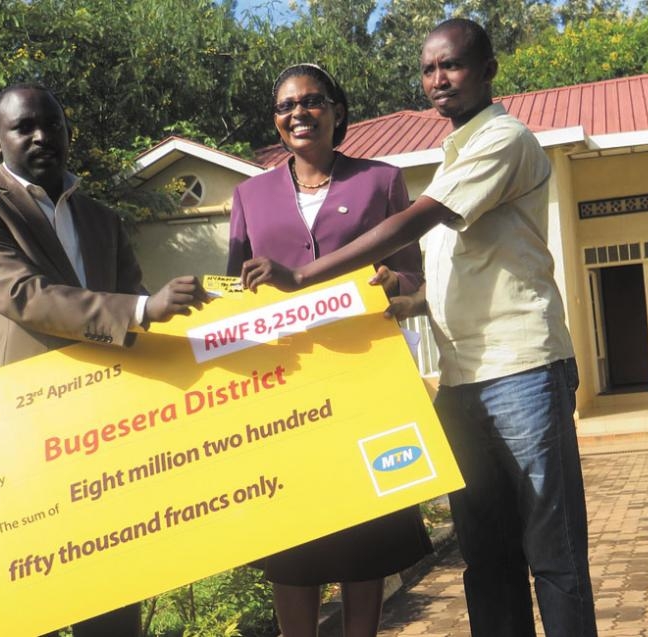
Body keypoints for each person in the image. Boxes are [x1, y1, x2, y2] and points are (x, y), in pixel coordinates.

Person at [239, 21, 598, 637]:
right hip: (461, 378)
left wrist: (302, 279)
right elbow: (446, 278)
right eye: (429, 69)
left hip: (521, 372)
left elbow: (416, 223)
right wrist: (400, 303)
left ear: (487, 70)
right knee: (486, 558)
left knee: (552, 553)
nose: (439, 80)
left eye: (452, 66)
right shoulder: (454, 151)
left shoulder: (501, 140)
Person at [0, 83, 207, 637]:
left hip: (102, 430)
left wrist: (205, 338)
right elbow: (24, 296)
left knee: (113, 587)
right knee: (35, 598)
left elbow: (136, 321)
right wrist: (143, 308)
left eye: (53, 125)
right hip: (20, 425)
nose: (41, 136)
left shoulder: (102, 219)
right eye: (24, 128)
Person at [227, 63, 432, 637]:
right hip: (283, 392)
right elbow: (234, 300)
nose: (298, 113)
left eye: (312, 101)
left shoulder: (381, 181)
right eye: (286, 105)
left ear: (337, 111)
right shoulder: (250, 196)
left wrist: (396, 287)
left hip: (364, 386)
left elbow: (415, 284)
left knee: (363, 534)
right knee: (294, 533)